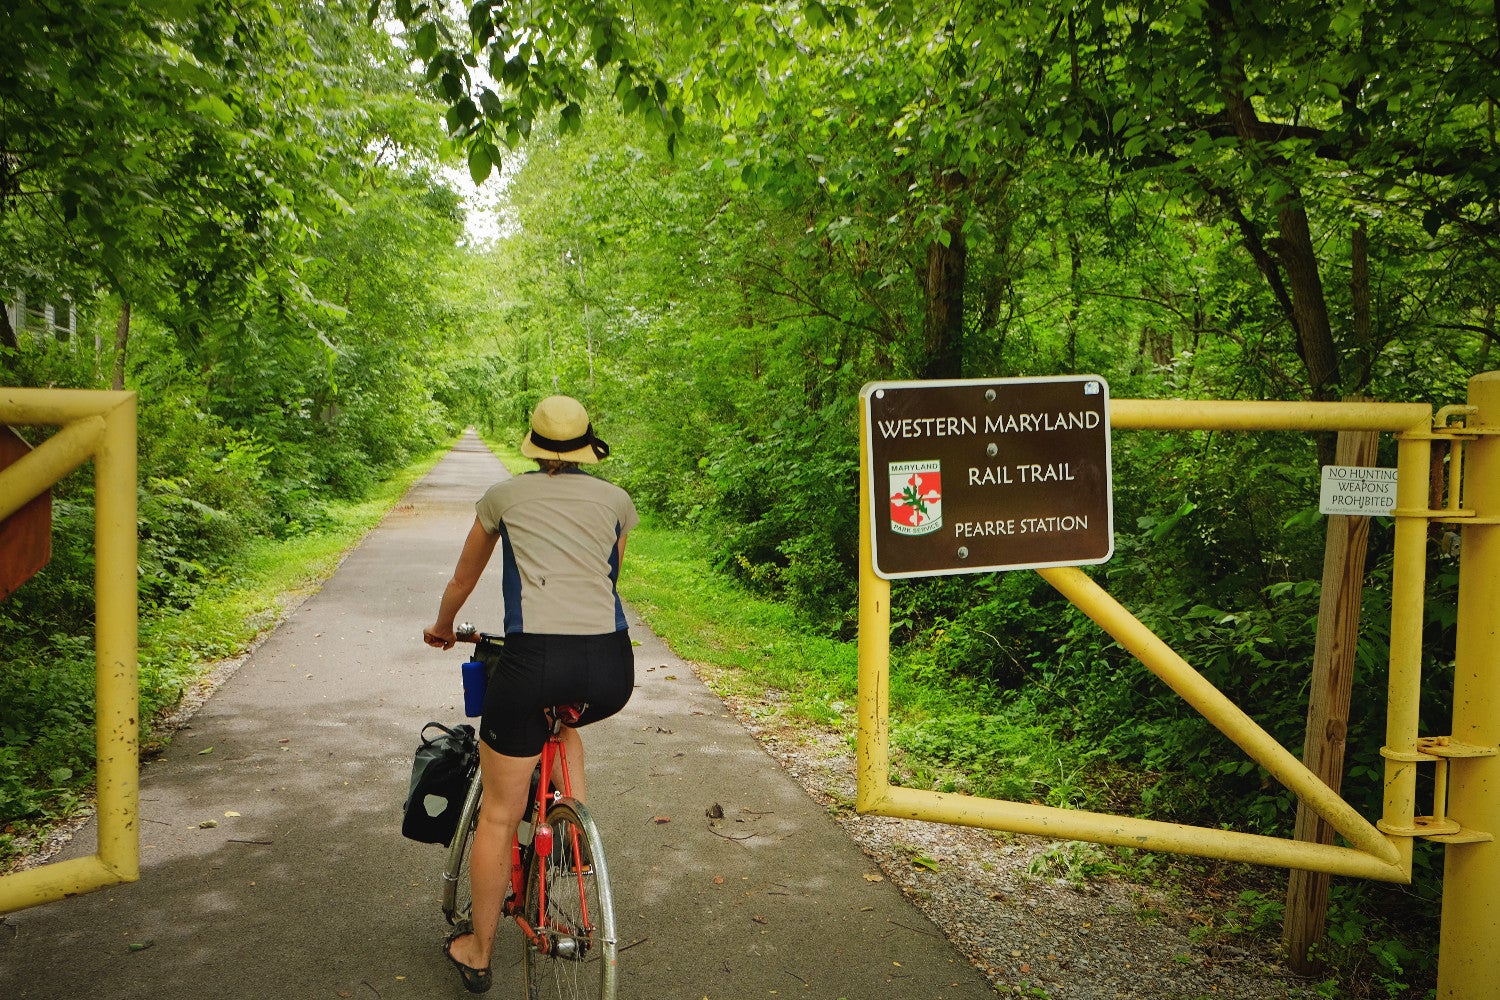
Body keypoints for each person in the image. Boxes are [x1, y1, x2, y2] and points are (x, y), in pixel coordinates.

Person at [423, 395, 639, 994]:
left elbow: (464, 579)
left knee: (498, 811)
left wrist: (443, 627)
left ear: (535, 444)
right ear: (587, 444)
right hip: (610, 669)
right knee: (564, 721)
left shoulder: (503, 497)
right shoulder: (616, 500)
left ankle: (479, 948)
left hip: (532, 662)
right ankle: (572, 837)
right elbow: (609, 575)